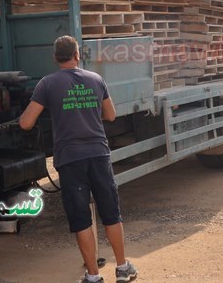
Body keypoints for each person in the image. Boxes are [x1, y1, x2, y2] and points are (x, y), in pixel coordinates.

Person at [19, 35, 137, 283]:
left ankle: (93, 276)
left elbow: (26, 122)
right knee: (111, 213)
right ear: (77, 55)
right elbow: (111, 115)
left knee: (81, 217)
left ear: (55, 58)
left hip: (70, 159)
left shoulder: (47, 84)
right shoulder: (96, 79)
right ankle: (123, 268)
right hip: (98, 154)